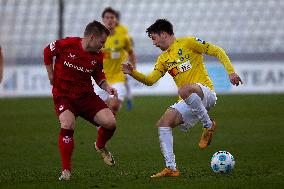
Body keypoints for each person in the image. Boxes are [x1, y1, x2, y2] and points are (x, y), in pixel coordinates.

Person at [122, 19, 243, 177]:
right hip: (188, 100)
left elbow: (217, 51)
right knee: (163, 124)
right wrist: (133, 73)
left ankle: (208, 125)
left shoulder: (189, 42)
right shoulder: (163, 59)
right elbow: (151, 81)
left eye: (153, 38)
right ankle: (171, 168)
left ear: (163, 34)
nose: (153, 43)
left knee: (184, 89)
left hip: (206, 93)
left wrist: (231, 72)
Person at [43, 20, 117, 181]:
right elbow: (47, 52)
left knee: (110, 123)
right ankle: (66, 171)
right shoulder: (67, 44)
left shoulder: (97, 56)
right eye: (102, 42)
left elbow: (99, 77)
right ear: (92, 37)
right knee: (67, 124)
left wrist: (107, 87)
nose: (103, 46)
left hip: (86, 96)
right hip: (64, 95)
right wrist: (50, 74)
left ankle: (100, 146)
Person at [95, 7, 136, 114]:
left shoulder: (123, 35)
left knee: (114, 106)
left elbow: (131, 51)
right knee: (101, 110)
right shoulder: (97, 37)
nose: (110, 20)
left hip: (118, 76)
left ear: (116, 19)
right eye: (107, 18)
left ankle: (129, 98)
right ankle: (104, 128)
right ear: (103, 19)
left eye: (112, 17)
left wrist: (133, 68)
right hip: (101, 78)